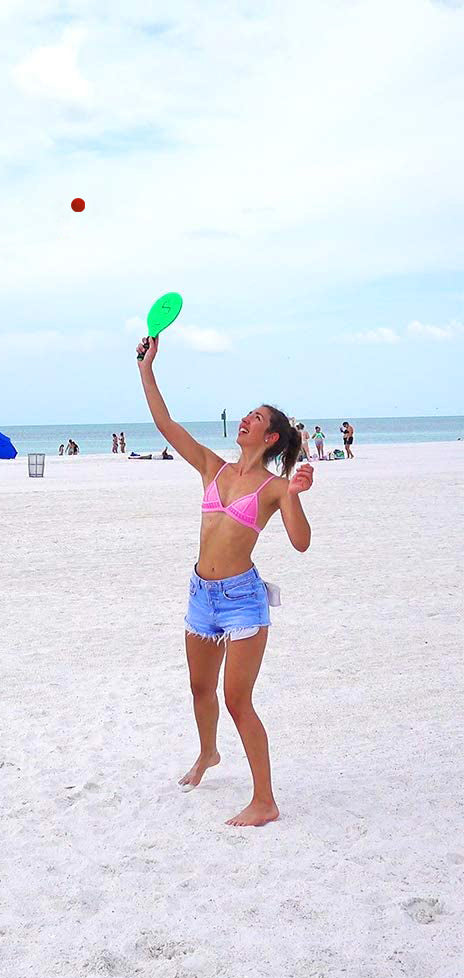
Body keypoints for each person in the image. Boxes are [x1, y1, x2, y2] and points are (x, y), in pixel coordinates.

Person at [136, 334, 313, 827]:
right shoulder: (213, 467)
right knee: (199, 688)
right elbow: (166, 424)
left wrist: (295, 494)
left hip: (241, 600)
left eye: (256, 418)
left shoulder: (275, 487)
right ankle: (209, 754)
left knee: (237, 699)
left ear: (271, 437)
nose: (246, 419)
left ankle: (265, 801)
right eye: (248, 415)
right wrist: (147, 370)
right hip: (201, 596)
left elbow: (301, 543)